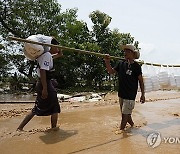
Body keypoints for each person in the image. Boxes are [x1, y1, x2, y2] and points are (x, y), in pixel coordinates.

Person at [17, 34, 63, 131]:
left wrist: (59, 52)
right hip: (44, 83)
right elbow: (43, 71)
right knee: (55, 106)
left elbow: (56, 56)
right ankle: (54, 129)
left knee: (36, 108)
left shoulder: (46, 55)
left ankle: (20, 128)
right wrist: (45, 89)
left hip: (43, 83)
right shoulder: (46, 55)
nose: (58, 48)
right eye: (57, 46)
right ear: (51, 46)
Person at [104, 44, 145, 133]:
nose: (125, 52)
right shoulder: (121, 63)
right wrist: (107, 62)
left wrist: (142, 95)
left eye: (128, 51)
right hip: (121, 95)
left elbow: (141, 81)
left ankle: (121, 131)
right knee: (126, 114)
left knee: (124, 116)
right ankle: (133, 126)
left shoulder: (136, 67)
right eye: (125, 51)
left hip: (130, 96)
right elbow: (111, 71)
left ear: (133, 54)